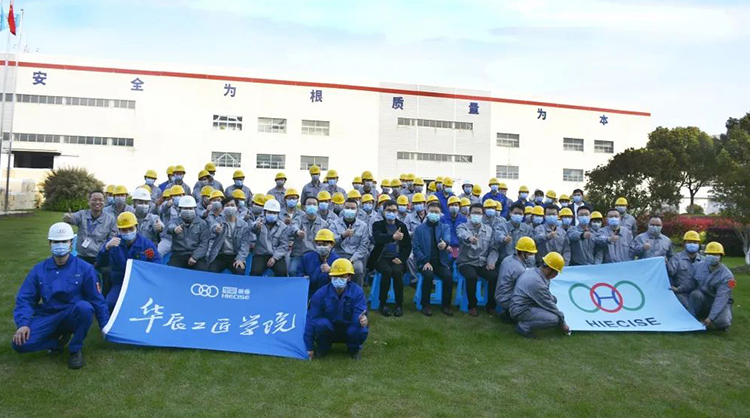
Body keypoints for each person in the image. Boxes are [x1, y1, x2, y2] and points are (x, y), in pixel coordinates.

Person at [12, 223, 110, 369]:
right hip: (48, 315)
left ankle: (75, 349)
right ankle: (57, 341)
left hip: (72, 314)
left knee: (85, 308)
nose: (60, 245)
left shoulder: (85, 269)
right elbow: (25, 298)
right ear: (49, 243)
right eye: (56, 241)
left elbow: (96, 299)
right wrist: (23, 324)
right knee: (19, 344)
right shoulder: (39, 269)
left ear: (71, 242)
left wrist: (105, 326)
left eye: (64, 241)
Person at [305, 259, 368, 360]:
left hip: (348, 328)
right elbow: (310, 320)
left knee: (360, 328)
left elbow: (358, 314)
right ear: (330, 277)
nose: (338, 278)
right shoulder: (320, 293)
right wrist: (309, 347)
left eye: (342, 276)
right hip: (329, 328)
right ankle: (323, 347)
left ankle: (354, 349)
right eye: (335, 276)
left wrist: (362, 320)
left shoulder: (357, 292)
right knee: (320, 324)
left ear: (349, 277)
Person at [98, 213, 161, 312]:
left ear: (136, 227)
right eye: (124, 230)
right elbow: (101, 262)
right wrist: (106, 248)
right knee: (110, 304)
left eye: (131, 229)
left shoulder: (146, 245)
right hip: (120, 283)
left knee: (143, 305)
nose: (128, 232)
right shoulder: (113, 243)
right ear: (119, 230)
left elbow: (156, 264)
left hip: (141, 283)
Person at [368, 200, 411, 317]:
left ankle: (399, 304)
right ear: (383, 212)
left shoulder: (402, 226)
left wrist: (401, 259)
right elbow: (378, 238)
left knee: (397, 272)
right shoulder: (378, 225)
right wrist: (393, 237)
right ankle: (383, 303)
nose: (391, 213)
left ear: (397, 212)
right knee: (387, 271)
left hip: (397, 258)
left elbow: (407, 246)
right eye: (388, 210)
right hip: (380, 257)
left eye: (394, 210)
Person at [510, 252, 569, 338]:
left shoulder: (533, 271)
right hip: (520, 310)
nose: (556, 275)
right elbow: (550, 305)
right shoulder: (537, 283)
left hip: (521, 304)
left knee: (553, 300)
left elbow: (549, 299)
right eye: (556, 272)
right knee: (553, 319)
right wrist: (563, 323)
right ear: (550, 269)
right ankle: (524, 326)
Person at [677, 242, 734, 330]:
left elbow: (721, 298)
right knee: (695, 294)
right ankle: (691, 318)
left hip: (719, 301)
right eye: (709, 254)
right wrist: (678, 289)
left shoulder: (727, 276)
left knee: (723, 322)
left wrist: (711, 317)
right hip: (703, 298)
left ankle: (712, 318)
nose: (712, 256)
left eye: (715, 254)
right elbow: (690, 282)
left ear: (721, 256)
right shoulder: (698, 266)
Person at [456, 203, 499, 316]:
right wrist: (469, 238)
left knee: (494, 276)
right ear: (469, 215)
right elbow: (461, 234)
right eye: (474, 213)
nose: (476, 215)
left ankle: (491, 306)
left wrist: (491, 262)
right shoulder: (462, 227)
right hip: (466, 262)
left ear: (483, 215)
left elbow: (493, 249)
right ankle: (472, 305)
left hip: (482, 262)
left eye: (479, 213)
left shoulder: (489, 230)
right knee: (471, 277)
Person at [413, 201, 454, 316]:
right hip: (424, 261)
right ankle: (425, 305)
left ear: (440, 214)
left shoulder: (444, 227)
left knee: (448, 276)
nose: (434, 214)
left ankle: (446, 306)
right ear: (427, 212)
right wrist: (425, 261)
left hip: (440, 262)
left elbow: (447, 238)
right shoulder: (419, 229)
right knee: (428, 275)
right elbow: (416, 248)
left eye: (436, 212)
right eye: (432, 211)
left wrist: (444, 244)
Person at [63, 190, 117, 266]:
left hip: (100, 257)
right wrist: (67, 218)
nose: (97, 202)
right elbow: (72, 219)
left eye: (100, 200)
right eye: (94, 200)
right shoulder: (82, 214)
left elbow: (111, 239)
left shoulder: (110, 219)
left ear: (104, 202)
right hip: (82, 256)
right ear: (89, 201)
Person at [206, 196, 253, 275]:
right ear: (223, 209)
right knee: (211, 272)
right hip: (220, 255)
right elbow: (213, 227)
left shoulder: (244, 225)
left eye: (232, 205)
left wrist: (240, 259)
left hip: (235, 256)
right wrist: (216, 229)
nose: (230, 207)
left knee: (239, 271)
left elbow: (245, 244)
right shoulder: (218, 221)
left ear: (237, 208)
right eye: (227, 205)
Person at [329, 198, 371, 287]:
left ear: (357, 211)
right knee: (331, 268)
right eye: (347, 208)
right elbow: (331, 243)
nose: (349, 210)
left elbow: (363, 246)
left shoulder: (363, 226)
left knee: (358, 270)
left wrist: (352, 259)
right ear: (343, 209)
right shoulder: (334, 224)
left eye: (352, 208)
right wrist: (342, 236)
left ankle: (357, 292)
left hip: (354, 257)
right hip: (337, 255)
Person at [495, 236, 537, 321]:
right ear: (522, 253)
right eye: (530, 254)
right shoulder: (519, 269)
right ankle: (513, 315)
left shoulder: (508, 259)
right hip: (506, 299)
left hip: (500, 295)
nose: (532, 256)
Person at [166, 196, 210, 270]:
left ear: (194, 209)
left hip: (196, 254)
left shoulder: (202, 223)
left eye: (190, 208)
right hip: (179, 254)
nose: (188, 211)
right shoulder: (175, 221)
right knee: (171, 271)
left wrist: (195, 257)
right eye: (185, 208)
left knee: (203, 272)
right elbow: (169, 227)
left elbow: (204, 243)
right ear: (180, 209)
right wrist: (174, 229)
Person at [289, 196, 329, 277]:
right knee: (292, 271)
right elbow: (293, 227)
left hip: (316, 254)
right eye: (309, 204)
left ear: (318, 207)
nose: (312, 206)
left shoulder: (324, 224)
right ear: (304, 207)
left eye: (314, 204)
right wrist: (297, 232)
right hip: (299, 254)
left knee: (317, 272)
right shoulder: (298, 219)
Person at [250, 199, 290, 277]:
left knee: (282, 272)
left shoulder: (283, 227)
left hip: (276, 255)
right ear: (265, 212)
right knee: (255, 271)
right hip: (260, 254)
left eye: (274, 213)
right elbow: (252, 227)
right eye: (269, 212)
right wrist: (256, 226)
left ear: (278, 214)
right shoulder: (259, 223)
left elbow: (283, 245)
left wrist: (275, 258)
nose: (272, 214)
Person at [668, 230, 704, 308]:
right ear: (684, 244)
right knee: (686, 307)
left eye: (695, 242)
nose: (692, 244)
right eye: (689, 242)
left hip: (696, 292)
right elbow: (669, 272)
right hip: (679, 292)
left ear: (699, 244)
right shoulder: (676, 258)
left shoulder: (703, 260)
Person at [301, 229, 340, 299]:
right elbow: (299, 273)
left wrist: (331, 270)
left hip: (329, 294)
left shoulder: (337, 260)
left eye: (325, 244)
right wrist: (303, 278)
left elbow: (340, 280)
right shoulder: (306, 258)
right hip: (310, 293)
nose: (322, 247)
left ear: (332, 245)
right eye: (319, 244)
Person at [441, 196, 467, 260]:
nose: (454, 207)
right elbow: (440, 234)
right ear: (448, 207)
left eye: (456, 205)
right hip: (447, 248)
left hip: (461, 249)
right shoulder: (442, 219)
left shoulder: (464, 219)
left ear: (459, 207)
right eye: (452, 205)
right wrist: (446, 245)